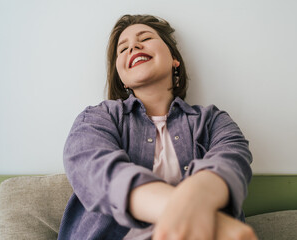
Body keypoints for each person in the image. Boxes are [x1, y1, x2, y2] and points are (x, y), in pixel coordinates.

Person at [58, 14, 257, 240]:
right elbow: (94, 169)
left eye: (145, 38)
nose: (133, 46)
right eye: (123, 49)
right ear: (122, 78)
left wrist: (195, 202)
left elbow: (231, 162)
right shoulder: (97, 118)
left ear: (174, 59)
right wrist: (214, 222)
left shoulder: (213, 120)